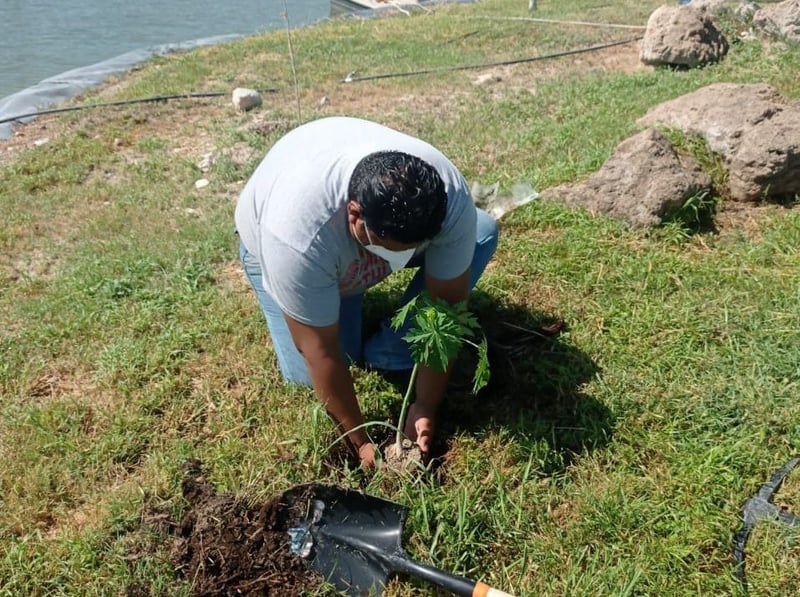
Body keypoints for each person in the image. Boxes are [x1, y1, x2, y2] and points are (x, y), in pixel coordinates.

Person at [234, 116, 498, 468]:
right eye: (392, 247)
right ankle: (340, 300)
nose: (400, 258)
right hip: (282, 250)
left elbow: (446, 310)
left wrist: (426, 404)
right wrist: (360, 441)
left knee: (480, 232)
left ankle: (392, 350)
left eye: (414, 247)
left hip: (348, 239)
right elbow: (319, 351)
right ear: (355, 215)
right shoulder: (296, 238)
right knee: (313, 374)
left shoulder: (446, 197)